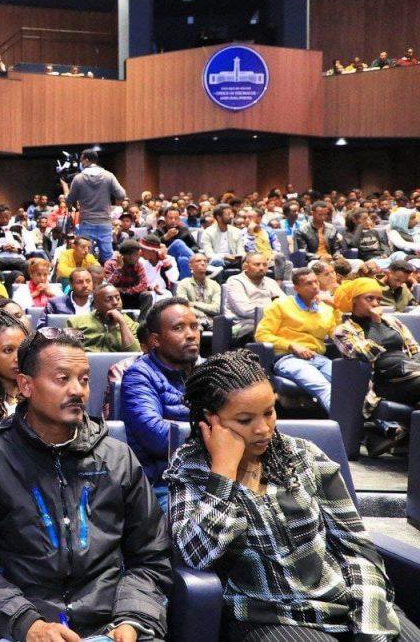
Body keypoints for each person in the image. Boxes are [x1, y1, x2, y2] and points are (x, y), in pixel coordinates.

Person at [166, 349, 420, 642]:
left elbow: (356, 548)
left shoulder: (302, 455)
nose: (263, 429)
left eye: (269, 412)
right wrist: (223, 473)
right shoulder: (192, 468)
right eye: (245, 420)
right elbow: (197, 556)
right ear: (211, 420)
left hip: (347, 603)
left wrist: (370, 623)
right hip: (270, 616)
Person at [0, 328, 171, 642]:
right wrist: (28, 624)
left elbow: (151, 555)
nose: (77, 391)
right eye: (62, 379)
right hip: (24, 627)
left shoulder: (117, 458)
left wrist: (133, 618)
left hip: (111, 625)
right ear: (26, 385)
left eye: (84, 379)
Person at [120, 298, 200, 505]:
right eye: (179, 328)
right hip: (165, 483)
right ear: (155, 340)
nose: (191, 334)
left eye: (194, 326)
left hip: (210, 473)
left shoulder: (208, 370)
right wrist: (216, 434)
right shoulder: (139, 375)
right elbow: (158, 438)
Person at [332, 277, 420, 456]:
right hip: (383, 383)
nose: (375, 303)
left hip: (411, 373)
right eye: (369, 298)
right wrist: (376, 323)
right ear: (354, 300)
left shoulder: (393, 322)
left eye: (378, 299)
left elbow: (414, 349)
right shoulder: (343, 331)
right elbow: (366, 355)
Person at [255, 267, 339, 413]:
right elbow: (261, 335)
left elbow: (338, 335)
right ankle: (346, 425)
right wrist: (291, 345)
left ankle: (376, 423)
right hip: (288, 358)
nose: (315, 286)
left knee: (351, 384)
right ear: (296, 288)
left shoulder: (326, 309)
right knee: (324, 387)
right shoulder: (281, 305)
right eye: (308, 283)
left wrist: (336, 307)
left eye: (316, 282)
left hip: (318, 358)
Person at [64, 148, 127, 262]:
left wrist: (66, 194)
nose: (81, 163)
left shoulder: (78, 178)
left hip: (86, 221)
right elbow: (121, 195)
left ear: (87, 160)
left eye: (82, 161)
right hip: (104, 222)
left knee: (86, 257)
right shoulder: (108, 176)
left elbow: (70, 200)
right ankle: (108, 273)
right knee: (108, 257)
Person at [223, 253, 285, 345]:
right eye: (257, 264)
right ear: (245, 266)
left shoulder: (270, 282)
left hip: (268, 321)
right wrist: (275, 312)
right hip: (242, 325)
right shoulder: (235, 281)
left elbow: (285, 304)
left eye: (265, 265)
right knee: (263, 329)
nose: (261, 268)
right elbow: (245, 310)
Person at [67, 284, 141, 353]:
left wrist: (122, 323)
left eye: (118, 298)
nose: (115, 302)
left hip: (118, 362)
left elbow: (135, 354)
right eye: (108, 299)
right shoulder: (77, 322)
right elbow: (69, 351)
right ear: (96, 304)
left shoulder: (132, 326)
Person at [103, 239, 153, 313]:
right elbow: (108, 285)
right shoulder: (110, 264)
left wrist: (125, 290)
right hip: (117, 297)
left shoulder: (138, 265)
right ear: (126, 256)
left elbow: (144, 284)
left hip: (132, 294)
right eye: (136, 255)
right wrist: (118, 269)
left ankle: (143, 319)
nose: (139, 257)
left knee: (147, 295)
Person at [175, 253, 221, 329]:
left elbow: (217, 309)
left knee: (222, 328)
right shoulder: (184, 283)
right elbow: (184, 306)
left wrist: (194, 304)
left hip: (213, 321)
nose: (202, 263)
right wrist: (202, 315)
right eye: (198, 261)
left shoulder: (214, 285)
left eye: (205, 261)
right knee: (195, 326)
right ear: (190, 266)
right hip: (192, 320)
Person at [200, 204, 246, 279]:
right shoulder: (207, 232)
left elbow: (241, 250)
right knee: (217, 261)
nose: (231, 216)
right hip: (217, 260)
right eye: (228, 214)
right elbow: (209, 254)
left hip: (234, 261)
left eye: (231, 214)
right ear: (219, 217)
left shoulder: (237, 231)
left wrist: (239, 256)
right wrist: (224, 256)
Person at [155, 206, 198, 278]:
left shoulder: (184, 230)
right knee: (178, 242)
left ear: (179, 219)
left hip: (181, 258)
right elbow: (152, 246)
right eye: (170, 218)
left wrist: (184, 251)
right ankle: (199, 263)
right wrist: (165, 237)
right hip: (166, 258)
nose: (173, 220)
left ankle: (184, 283)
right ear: (165, 218)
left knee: (183, 260)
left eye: (176, 218)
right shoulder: (159, 231)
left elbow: (195, 247)